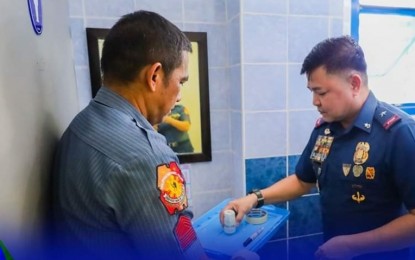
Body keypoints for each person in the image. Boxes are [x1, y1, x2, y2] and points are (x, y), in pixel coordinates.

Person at [220, 36, 415, 260]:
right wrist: (254, 198)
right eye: (312, 91)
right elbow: (304, 179)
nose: (314, 101)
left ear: (354, 83)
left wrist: (353, 246)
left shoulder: (399, 133)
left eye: (321, 93)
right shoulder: (326, 129)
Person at [51, 10, 206, 260]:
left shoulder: (79, 126)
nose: (179, 96)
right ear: (154, 76)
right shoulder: (147, 155)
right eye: (181, 82)